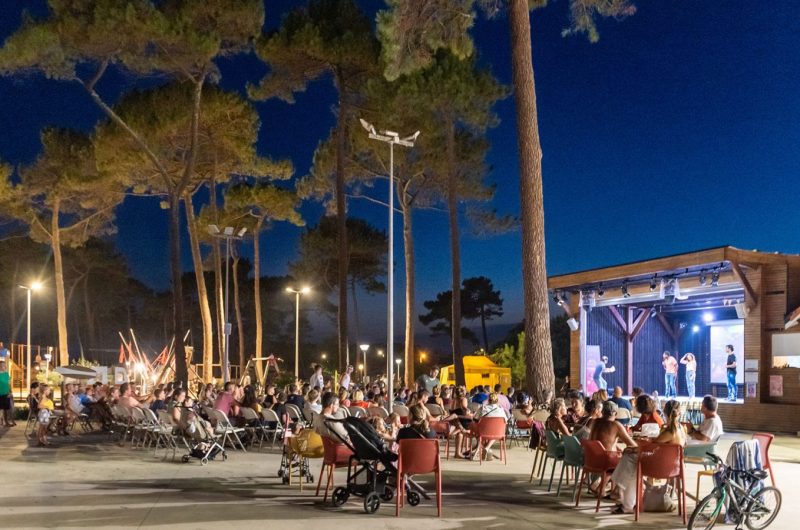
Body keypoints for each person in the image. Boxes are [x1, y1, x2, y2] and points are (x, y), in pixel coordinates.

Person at [609, 399, 684, 515]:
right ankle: (625, 500)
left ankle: (622, 493)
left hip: (660, 467)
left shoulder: (669, 431)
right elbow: (659, 443)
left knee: (630, 459)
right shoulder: (680, 430)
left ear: (664, 413)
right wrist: (649, 441)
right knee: (631, 461)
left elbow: (650, 448)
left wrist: (633, 449)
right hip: (675, 467)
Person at [0, 360, 12, 427]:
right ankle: (1, 421)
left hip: (6, 393)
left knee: (6, 409)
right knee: (1, 408)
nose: (4, 366)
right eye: (2, 365)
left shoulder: (6, 374)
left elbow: (9, 384)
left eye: (4, 365)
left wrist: (10, 392)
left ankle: (6, 422)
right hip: (0, 393)